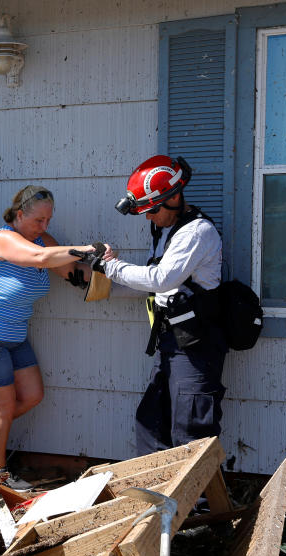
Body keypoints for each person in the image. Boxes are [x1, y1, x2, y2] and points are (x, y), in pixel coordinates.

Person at [79, 155, 226, 455]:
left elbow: (161, 279)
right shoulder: (166, 231)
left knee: (191, 432)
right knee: (151, 423)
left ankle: (196, 502)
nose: (149, 217)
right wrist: (97, 284)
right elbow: (152, 286)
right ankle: (159, 495)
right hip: (171, 339)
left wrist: (110, 267)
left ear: (174, 198)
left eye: (153, 210)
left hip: (196, 345)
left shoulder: (196, 232)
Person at [0, 186, 102, 488]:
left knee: (32, 395)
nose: (45, 227)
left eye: (49, 220)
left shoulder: (44, 241)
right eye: (39, 220)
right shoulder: (3, 239)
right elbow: (38, 258)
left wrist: (107, 267)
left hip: (14, 333)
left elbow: (72, 272)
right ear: (19, 214)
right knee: (4, 406)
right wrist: (85, 248)